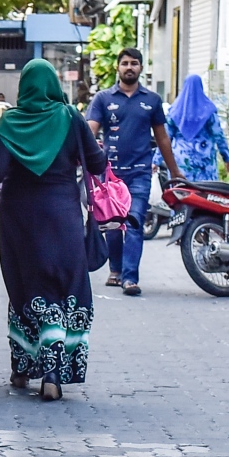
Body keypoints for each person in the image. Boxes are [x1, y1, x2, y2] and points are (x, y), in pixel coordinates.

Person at [0, 59, 104, 401]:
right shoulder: (70, 117)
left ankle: (22, 369)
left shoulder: (11, 121)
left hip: (21, 219)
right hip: (64, 216)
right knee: (63, 286)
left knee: (27, 287)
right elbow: (98, 162)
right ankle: (53, 373)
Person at [86, 48, 180, 297]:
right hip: (110, 176)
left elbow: (162, 138)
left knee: (134, 222)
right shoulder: (103, 99)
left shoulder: (151, 100)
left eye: (134, 63)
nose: (130, 67)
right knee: (114, 226)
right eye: (125, 63)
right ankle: (115, 269)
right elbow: (90, 131)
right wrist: (81, 159)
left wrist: (175, 171)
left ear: (140, 68)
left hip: (139, 173)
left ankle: (130, 278)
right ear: (118, 67)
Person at [166, 74, 229, 183]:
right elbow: (218, 135)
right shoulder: (208, 110)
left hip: (181, 161)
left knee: (181, 193)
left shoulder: (175, 111)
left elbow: (165, 138)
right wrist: (227, 158)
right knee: (204, 194)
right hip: (204, 160)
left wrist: (156, 160)